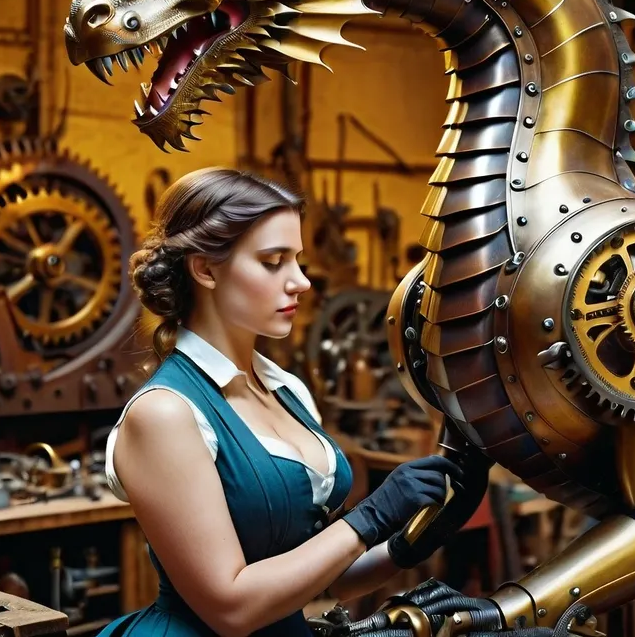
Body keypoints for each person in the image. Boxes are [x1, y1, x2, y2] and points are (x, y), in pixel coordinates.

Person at [99, 167, 463, 637]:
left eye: (297, 260)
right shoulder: (165, 414)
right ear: (205, 269)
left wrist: (406, 544)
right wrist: (371, 517)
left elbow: (315, 577)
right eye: (274, 262)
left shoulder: (287, 390)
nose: (301, 282)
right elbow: (231, 610)